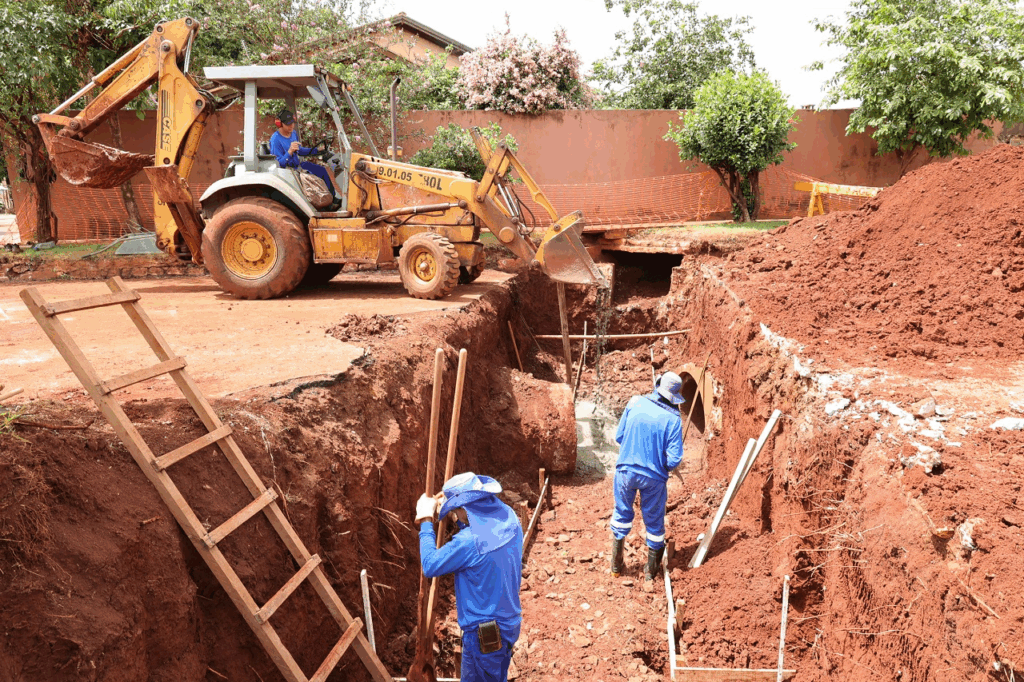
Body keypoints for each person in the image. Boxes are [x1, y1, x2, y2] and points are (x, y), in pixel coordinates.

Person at [416, 472, 523, 682]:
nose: (455, 516)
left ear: (465, 508)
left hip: (484, 635)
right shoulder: (509, 516)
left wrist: (426, 521)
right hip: (509, 624)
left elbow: (429, 565)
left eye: (456, 511)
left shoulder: (468, 542)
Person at [610, 371, 685, 584]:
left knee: (621, 513)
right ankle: (651, 572)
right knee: (653, 522)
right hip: (653, 478)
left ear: (657, 385)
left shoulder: (634, 402)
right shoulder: (673, 419)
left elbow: (619, 436)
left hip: (625, 471)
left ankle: (616, 566)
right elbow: (673, 460)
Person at [268, 108, 339, 205]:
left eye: (292, 123)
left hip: (298, 166)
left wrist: (316, 150)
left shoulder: (293, 133)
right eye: (288, 124)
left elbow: (300, 150)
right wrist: (290, 151)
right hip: (288, 171)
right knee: (312, 177)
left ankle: (332, 199)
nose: (291, 126)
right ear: (279, 124)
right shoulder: (275, 139)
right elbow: (279, 163)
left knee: (322, 170)